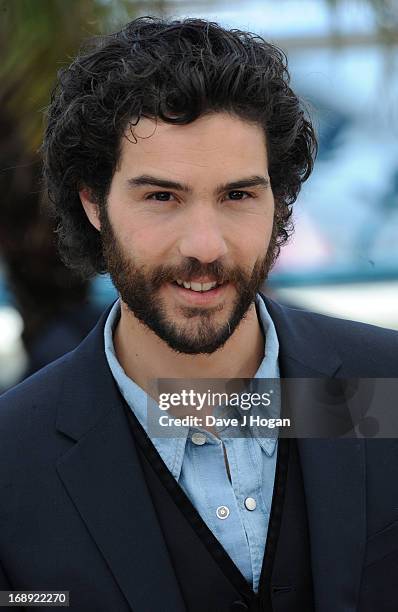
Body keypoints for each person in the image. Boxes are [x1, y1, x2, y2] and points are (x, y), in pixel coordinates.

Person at [0, 16, 397, 612]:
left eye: (238, 195)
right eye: (162, 197)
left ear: (278, 199)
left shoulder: (385, 389)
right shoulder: (12, 460)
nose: (205, 245)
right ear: (93, 203)